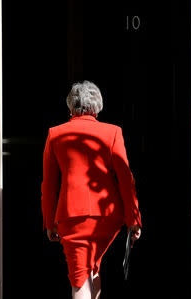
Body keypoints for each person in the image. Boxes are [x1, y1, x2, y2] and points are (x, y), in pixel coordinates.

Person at [41, 80, 142, 299]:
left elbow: (49, 184)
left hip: (72, 217)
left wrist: (49, 221)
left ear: (70, 107)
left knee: (79, 280)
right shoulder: (113, 132)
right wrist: (133, 218)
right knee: (92, 269)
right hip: (108, 216)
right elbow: (126, 178)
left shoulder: (55, 134)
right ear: (97, 106)